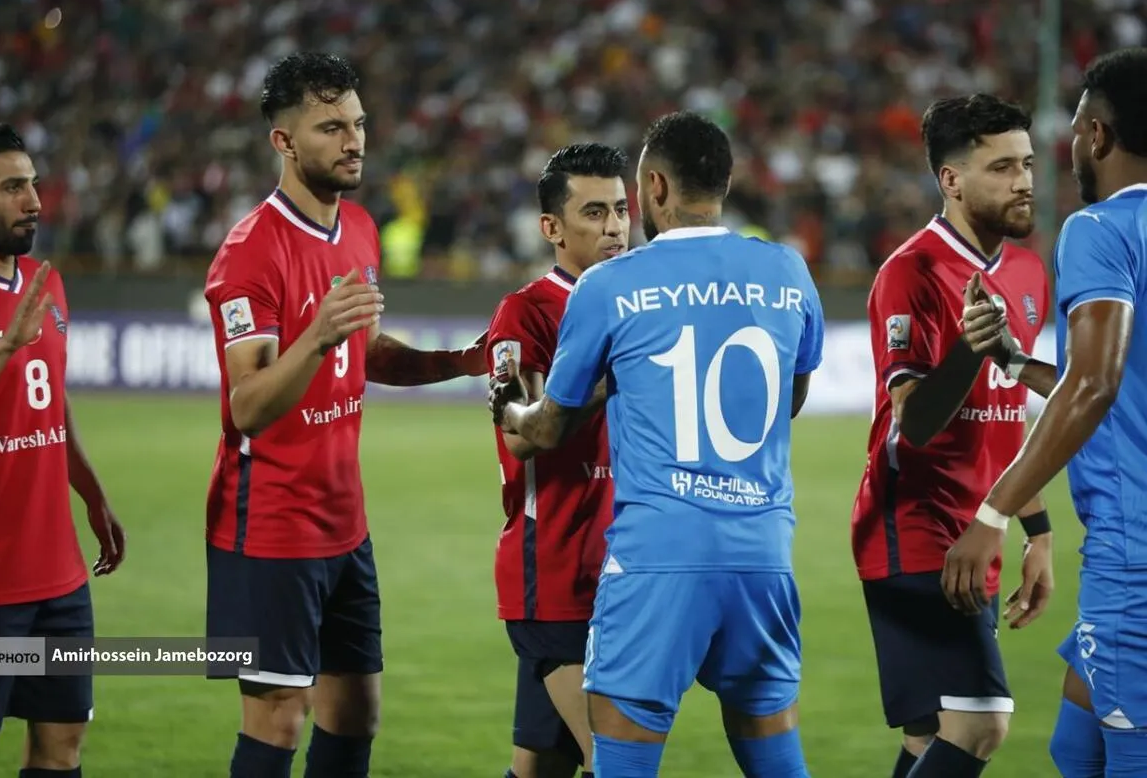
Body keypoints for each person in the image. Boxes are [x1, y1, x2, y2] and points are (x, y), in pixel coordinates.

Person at [490, 111, 824, 778]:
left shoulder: (611, 285)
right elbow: (790, 399)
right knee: (776, 760)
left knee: (615, 762)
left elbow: (547, 427)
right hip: (762, 553)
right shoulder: (788, 269)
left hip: (656, 559)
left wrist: (512, 409)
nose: (620, 220)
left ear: (655, 187)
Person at [203, 52, 487, 778]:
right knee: (279, 716)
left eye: (358, 124)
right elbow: (248, 405)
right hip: (270, 524)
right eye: (331, 127)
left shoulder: (357, 227)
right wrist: (318, 335)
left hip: (343, 523)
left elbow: (366, 351)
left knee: (356, 711)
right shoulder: (249, 254)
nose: (353, 140)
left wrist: (458, 361)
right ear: (284, 141)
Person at [946, 47, 1147, 778]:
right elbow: (1116, 384)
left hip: (1135, 556)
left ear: (1097, 133)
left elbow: (1093, 385)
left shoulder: (1102, 230)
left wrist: (993, 513)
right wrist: (1009, 358)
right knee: (1076, 745)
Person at [850, 93, 1056, 778]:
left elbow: (1005, 417)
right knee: (980, 724)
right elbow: (911, 421)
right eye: (1002, 168)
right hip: (913, 528)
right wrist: (969, 348)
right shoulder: (911, 272)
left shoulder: (1026, 272)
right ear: (952, 179)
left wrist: (1037, 529)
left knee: (928, 739)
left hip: (979, 529)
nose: (1024, 181)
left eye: (1027, 164)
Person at [0, 121, 124, 778]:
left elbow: (50, 402)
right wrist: (5, 347)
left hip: (59, 576)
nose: (34, 201)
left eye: (33, 184)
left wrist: (91, 493)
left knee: (61, 745)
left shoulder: (45, 282)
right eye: (12, 188)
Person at [488, 143, 628, 778]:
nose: (615, 227)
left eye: (621, 209)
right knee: (617, 759)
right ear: (552, 227)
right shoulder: (527, 312)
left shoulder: (639, 303)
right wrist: (611, 376)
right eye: (594, 213)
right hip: (555, 572)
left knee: (541, 767)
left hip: (621, 566)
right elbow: (521, 434)